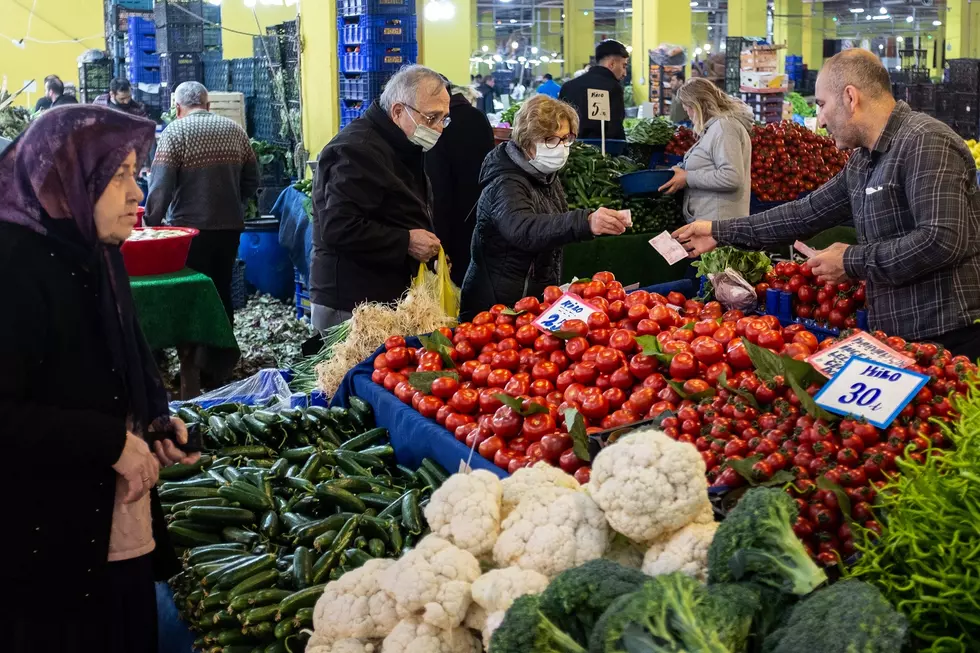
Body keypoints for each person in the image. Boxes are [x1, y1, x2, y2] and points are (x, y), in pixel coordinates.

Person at [0, 105, 199, 652]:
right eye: (118, 176)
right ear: (68, 181)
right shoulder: (13, 266)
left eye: (135, 174)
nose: (137, 193)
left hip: (111, 513)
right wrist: (109, 441)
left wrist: (152, 425)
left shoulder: (97, 251)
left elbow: (115, 363)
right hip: (46, 535)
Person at [674, 48, 980, 355]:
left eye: (821, 105)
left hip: (948, 336)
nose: (820, 120)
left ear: (850, 97)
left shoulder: (926, 143)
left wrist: (851, 261)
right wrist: (717, 231)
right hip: (897, 335)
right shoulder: (862, 161)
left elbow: (942, 240)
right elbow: (803, 214)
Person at [460, 95, 631, 319]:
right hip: (498, 304)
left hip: (529, 296)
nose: (560, 147)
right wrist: (585, 222)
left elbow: (551, 222)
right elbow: (523, 229)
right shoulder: (506, 181)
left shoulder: (545, 175)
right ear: (527, 140)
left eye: (566, 138)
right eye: (551, 140)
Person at [310, 64, 447, 331]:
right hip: (350, 303)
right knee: (347, 373)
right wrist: (406, 241)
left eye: (444, 118)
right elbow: (338, 227)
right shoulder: (357, 151)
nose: (439, 128)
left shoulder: (402, 144)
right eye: (432, 118)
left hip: (384, 295)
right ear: (398, 111)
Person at [145, 81, 260, 324]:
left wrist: (150, 224)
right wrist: (233, 201)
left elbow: (161, 187)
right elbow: (252, 179)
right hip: (229, 228)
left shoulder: (174, 133)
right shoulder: (235, 131)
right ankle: (225, 352)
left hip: (188, 232)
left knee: (194, 291)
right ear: (208, 105)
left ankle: (197, 353)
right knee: (221, 289)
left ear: (177, 108)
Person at [425, 80, 495, 287]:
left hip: (448, 220)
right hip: (478, 213)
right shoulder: (478, 117)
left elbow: (438, 185)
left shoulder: (437, 126)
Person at [658, 77, 753, 224]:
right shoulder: (715, 128)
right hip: (711, 224)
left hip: (720, 226)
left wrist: (687, 178)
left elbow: (731, 177)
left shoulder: (724, 128)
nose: (688, 114)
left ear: (698, 105)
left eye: (687, 108)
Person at [559, 40, 629, 139]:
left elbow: (560, 122)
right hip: (602, 149)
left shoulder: (568, 86)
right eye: (624, 66)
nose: (625, 73)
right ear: (612, 64)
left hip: (571, 148)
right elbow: (615, 127)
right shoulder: (613, 87)